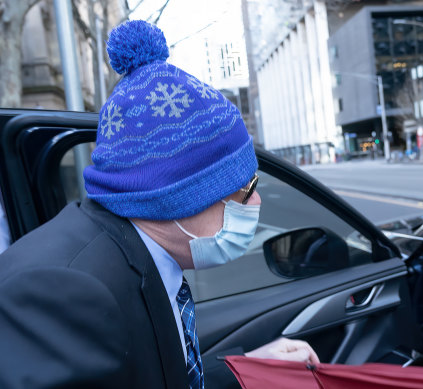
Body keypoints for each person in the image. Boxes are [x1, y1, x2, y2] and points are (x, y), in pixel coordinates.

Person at [0, 20, 317, 389]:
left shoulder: (138, 253)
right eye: (244, 189)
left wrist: (246, 370)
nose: (257, 200)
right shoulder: (65, 294)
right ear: (176, 198)